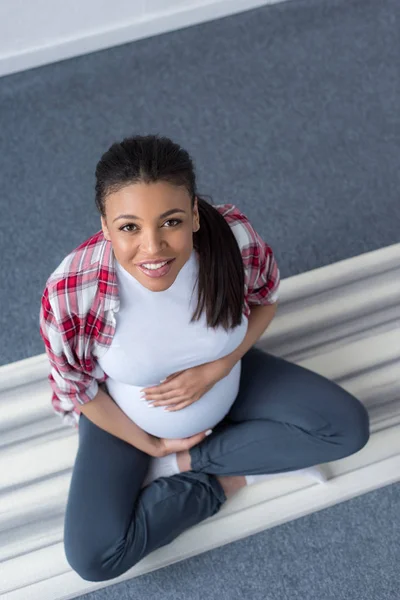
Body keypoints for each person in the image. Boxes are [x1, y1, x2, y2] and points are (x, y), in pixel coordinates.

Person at [39, 134, 370, 583]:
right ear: (105, 226)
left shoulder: (232, 237)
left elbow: (266, 298)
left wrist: (217, 368)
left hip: (231, 379)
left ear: (195, 213)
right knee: (94, 557)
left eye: (170, 221)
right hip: (128, 422)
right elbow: (76, 388)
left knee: (348, 428)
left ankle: (192, 465)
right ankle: (227, 476)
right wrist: (151, 446)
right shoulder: (71, 291)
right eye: (130, 227)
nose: (153, 248)